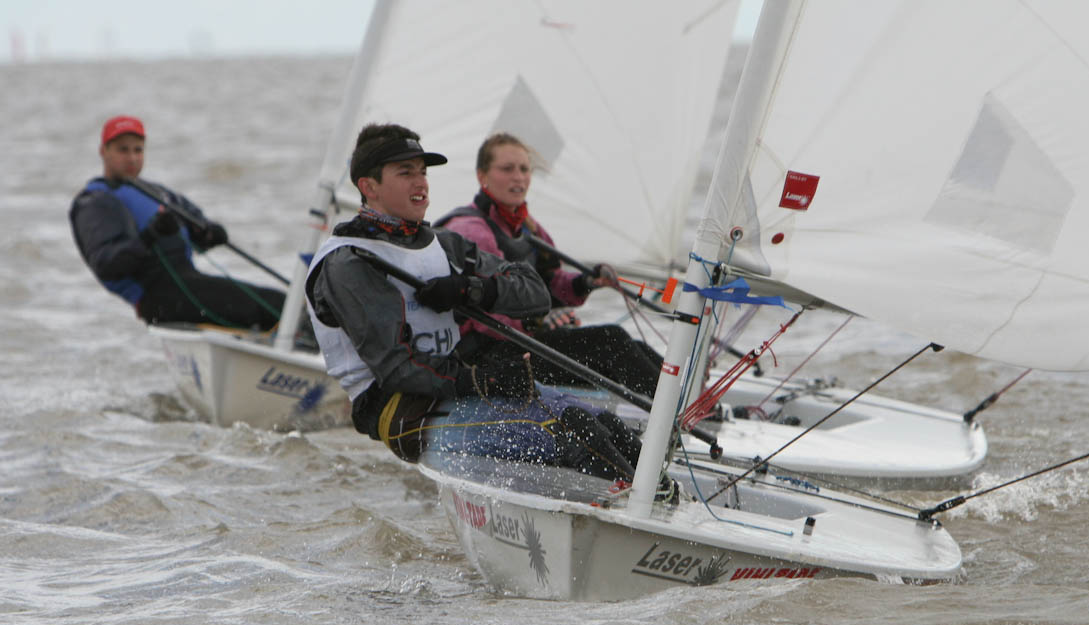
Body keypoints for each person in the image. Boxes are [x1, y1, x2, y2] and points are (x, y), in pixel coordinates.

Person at [305, 123, 644, 482]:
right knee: (577, 431)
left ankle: (662, 501)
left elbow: (535, 293)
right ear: (369, 187)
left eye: (422, 172)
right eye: (405, 173)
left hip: (457, 388)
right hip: (404, 411)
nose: (421, 183)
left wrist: (471, 290)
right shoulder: (348, 263)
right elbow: (397, 369)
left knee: (610, 426)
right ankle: (630, 504)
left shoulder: (443, 244)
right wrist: (485, 379)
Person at [435, 132, 664, 396]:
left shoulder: (527, 227)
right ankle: (673, 411)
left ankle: (686, 404)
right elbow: (485, 314)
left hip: (521, 342)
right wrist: (538, 323)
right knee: (612, 342)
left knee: (633, 347)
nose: (518, 177)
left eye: (524, 169)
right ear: (482, 176)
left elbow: (552, 283)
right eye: (507, 169)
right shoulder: (471, 230)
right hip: (487, 354)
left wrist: (586, 282)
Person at [69, 115, 286, 331]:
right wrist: (152, 234)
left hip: (189, 282)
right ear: (103, 151)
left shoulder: (158, 193)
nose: (132, 158)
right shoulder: (94, 202)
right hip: (156, 297)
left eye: (138, 150)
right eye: (123, 150)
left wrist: (210, 234)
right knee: (276, 307)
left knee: (284, 304)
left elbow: (197, 227)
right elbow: (108, 265)